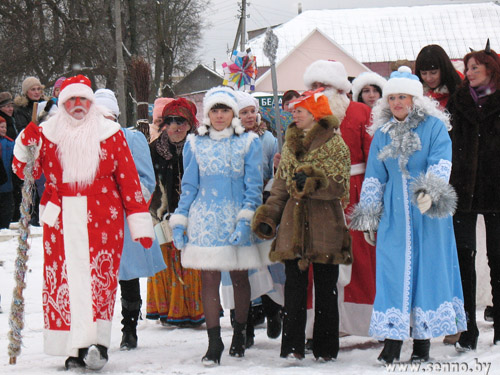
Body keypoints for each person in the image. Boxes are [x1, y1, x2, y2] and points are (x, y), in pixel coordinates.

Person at [12, 75, 155, 371]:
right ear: (62, 103)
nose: (77, 105)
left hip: (102, 219)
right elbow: (25, 171)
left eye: (83, 100)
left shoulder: (110, 133)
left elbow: (128, 179)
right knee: (64, 282)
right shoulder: (48, 133)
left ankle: (98, 345)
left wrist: (139, 221)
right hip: (61, 220)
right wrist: (26, 142)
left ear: (91, 103)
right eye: (71, 100)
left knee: (98, 282)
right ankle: (72, 348)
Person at [349, 66, 467, 364]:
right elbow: (375, 177)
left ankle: (422, 341)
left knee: (425, 273)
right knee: (392, 274)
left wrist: (427, 196)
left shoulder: (434, 127)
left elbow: (441, 163)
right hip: (395, 218)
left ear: (415, 99)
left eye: (403, 97)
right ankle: (392, 338)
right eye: (392, 98)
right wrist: (370, 214)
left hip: (427, 215)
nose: (397, 103)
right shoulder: (382, 134)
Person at [170, 86, 270, 365]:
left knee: (239, 277)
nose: (219, 115)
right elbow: (188, 186)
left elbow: (254, 185)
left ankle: (240, 332)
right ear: (207, 113)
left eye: (224, 109)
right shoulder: (194, 144)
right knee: (209, 280)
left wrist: (246, 218)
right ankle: (214, 343)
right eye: (214, 109)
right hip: (204, 220)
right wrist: (180, 220)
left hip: (236, 216)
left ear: (233, 112)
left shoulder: (249, 142)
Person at [252, 88, 352, 361]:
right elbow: (281, 187)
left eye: (299, 111)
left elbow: (340, 187)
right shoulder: (289, 144)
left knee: (326, 289)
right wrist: (268, 216)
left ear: (315, 114)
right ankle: (292, 347)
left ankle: (326, 348)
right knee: (294, 290)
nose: (293, 114)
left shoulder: (336, 144)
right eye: (293, 110)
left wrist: (312, 182)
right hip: (292, 227)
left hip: (325, 225)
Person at [303, 59, 375, 338]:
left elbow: (372, 157)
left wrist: (371, 195)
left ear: (339, 87)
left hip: (354, 192)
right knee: (318, 262)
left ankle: (361, 321)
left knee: (360, 259)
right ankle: (321, 324)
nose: (320, 90)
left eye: (325, 85)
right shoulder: (305, 115)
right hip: (318, 195)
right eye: (314, 86)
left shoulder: (360, 112)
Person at [94, 88, 166, 350]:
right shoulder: (86, 140)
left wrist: (129, 204)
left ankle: (129, 328)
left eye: (108, 117)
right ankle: (97, 333)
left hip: (125, 217)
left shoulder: (131, 138)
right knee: (99, 275)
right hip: (97, 219)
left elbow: (146, 178)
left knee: (128, 275)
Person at [447, 42, 500, 351]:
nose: (468, 74)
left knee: (498, 258)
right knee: (464, 259)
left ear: (490, 70)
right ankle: (467, 327)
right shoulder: (458, 102)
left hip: (496, 190)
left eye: (474, 68)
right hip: (463, 191)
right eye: (467, 69)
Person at [221, 91, 283, 348]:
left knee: (264, 261)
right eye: (243, 112)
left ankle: (272, 309)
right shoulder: (230, 139)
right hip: (235, 207)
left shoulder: (268, 139)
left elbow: (273, 172)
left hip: (262, 204)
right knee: (238, 267)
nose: (248, 116)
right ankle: (242, 325)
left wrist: (276, 170)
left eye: (251, 112)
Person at [146, 97, 205, 327]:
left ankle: (192, 312)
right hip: (160, 216)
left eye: (181, 121)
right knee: (164, 262)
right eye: (170, 121)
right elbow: (147, 182)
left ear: (190, 123)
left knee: (191, 263)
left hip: (194, 215)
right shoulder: (154, 150)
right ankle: (167, 311)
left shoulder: (200, 146)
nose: (175, 126)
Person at [0, 116, 14, 228]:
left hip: (8, 183)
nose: (4, 129)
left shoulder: (10, 143)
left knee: (7, 209)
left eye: (5, 127)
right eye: (1, 127)